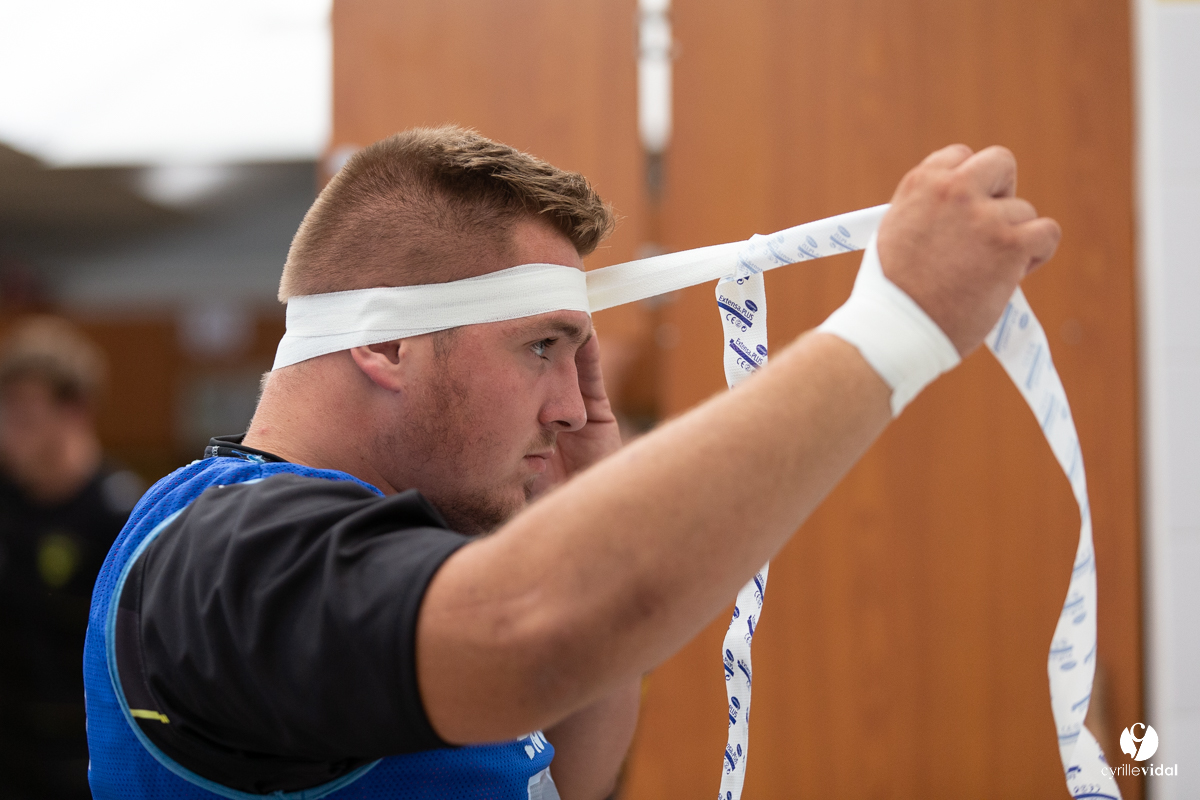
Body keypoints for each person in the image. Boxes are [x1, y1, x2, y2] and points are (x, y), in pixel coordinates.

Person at [83, 127, 1060, 800]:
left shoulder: (386, 537)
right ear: (383, 346)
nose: (571, 402)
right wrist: (896, 327)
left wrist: (585, 489)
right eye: (542, 346)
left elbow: (552, 773)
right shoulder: (224, 557)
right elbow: (535, 632)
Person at [0, 317, 142, 799]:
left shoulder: (122, 519)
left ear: (75, 411)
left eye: (24, 418)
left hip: (84, 764)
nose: (7, 434)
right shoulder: (7, 503)